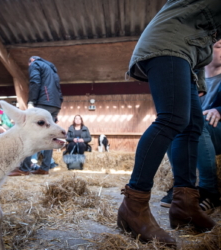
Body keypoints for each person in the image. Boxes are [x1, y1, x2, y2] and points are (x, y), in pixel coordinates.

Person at [118, 1, 221, 246]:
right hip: (170, 45)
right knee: (172, 118)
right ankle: (134, 204)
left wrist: (198, 82)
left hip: (188, 56)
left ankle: (185, 204)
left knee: (193, 125)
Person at [161, 40, 221, 211]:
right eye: (218, 46)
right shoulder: (192, 79)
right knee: (170, 129)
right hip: (196, 134)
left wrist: (219, 110)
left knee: (197, 125)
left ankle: (209, 191)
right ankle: (182, 187)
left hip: (217, 130)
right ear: (206, 52)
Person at [9, 56, 63, 176]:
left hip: (44, 102)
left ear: (31, 61)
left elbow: (35, 82)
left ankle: (24, 169)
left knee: (29, 133)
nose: (29, 68)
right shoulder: (53, 71)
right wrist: (57, 106)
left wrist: (31, 101)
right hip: (55, 104)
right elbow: (59, 90)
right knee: (50, 136)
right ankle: (44, 168)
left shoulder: (35, 64)